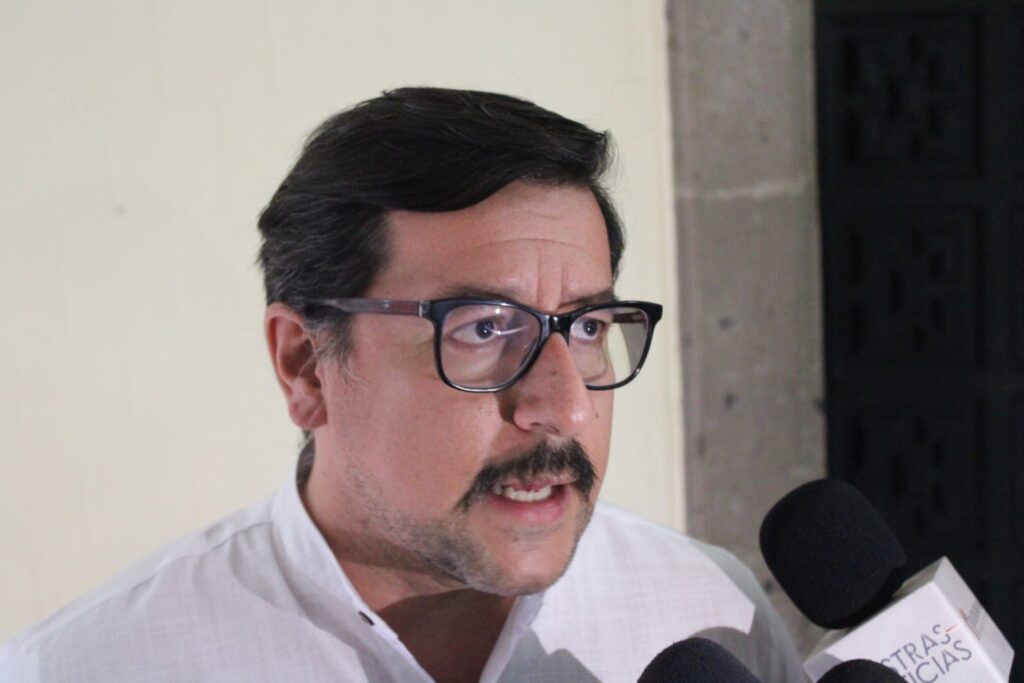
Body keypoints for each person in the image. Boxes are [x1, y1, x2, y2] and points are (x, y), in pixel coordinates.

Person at [0, 87, 804, 682]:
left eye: (588, 327)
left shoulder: (707, 610)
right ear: (305, 364)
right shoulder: (88, 667)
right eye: (484, 329)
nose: (564, 404)